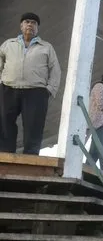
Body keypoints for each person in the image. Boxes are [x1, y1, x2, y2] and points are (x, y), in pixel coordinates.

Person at [0, 12, 61, 154]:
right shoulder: (8, 44)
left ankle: (31, 157)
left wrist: (49, 90)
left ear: (37, 28)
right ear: (21, 26)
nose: (30, 25)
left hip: (36, 92)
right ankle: (4, 155)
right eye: (27, 22)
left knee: (34, 126)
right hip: (8, 89)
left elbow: (55, 70)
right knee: (4, 123)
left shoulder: (46, 47)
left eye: (34, 23)